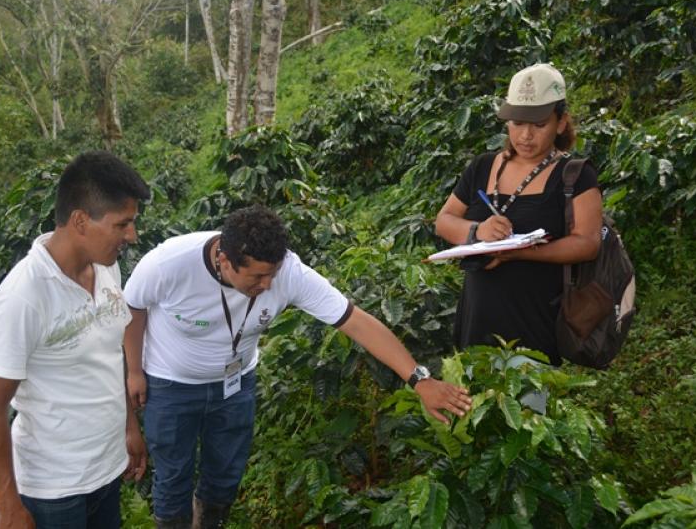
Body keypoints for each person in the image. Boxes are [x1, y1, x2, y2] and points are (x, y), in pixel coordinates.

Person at [122, 204, 473, 529]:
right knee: (173, 475)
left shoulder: (288, 272)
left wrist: (419, 379)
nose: (268, 286)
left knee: (225, 474)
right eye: (258, 277)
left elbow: (356, 322)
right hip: (172, 384)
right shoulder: (169, 264)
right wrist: (135, 371)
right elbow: (133, 309)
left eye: (272, 275)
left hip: (235, 384)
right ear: (225, 261)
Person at [0, 151, 151, 529]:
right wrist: (8, 505)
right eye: (122, 224)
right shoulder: (22, 297)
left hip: (107, 470)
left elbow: (109, 356)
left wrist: (129, 426)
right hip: (53, 490)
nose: (132, 236)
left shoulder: (107, 268)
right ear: (80, 221)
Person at [435, 63, 603, 366]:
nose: (526, 135)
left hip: (533, 328)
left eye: (539, 125)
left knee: (527, 395)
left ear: (561, 123)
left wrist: (522, 252)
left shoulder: (575, 175)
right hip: (475, 325)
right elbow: (444, 220)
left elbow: (588, 243)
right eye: (517, 123)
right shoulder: (482, 166)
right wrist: (477, 231)